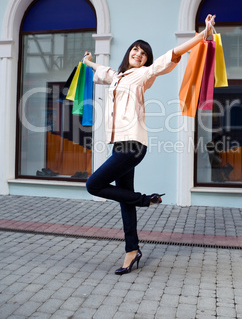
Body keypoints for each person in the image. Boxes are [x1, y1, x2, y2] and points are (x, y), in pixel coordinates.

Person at [84, 14, 215, 275]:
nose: (139, 53)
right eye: (135, 49)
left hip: (133, 145)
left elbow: (171, 55)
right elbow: (100, 70)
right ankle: (132, 251)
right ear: (128, 53)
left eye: (144, 52)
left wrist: (203, 34)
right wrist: (87, 60)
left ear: (146, 60)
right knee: (124, 201)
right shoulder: (117, 76)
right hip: (118, 145)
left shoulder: (144, 74)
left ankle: (146, 200)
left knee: (93, 185)